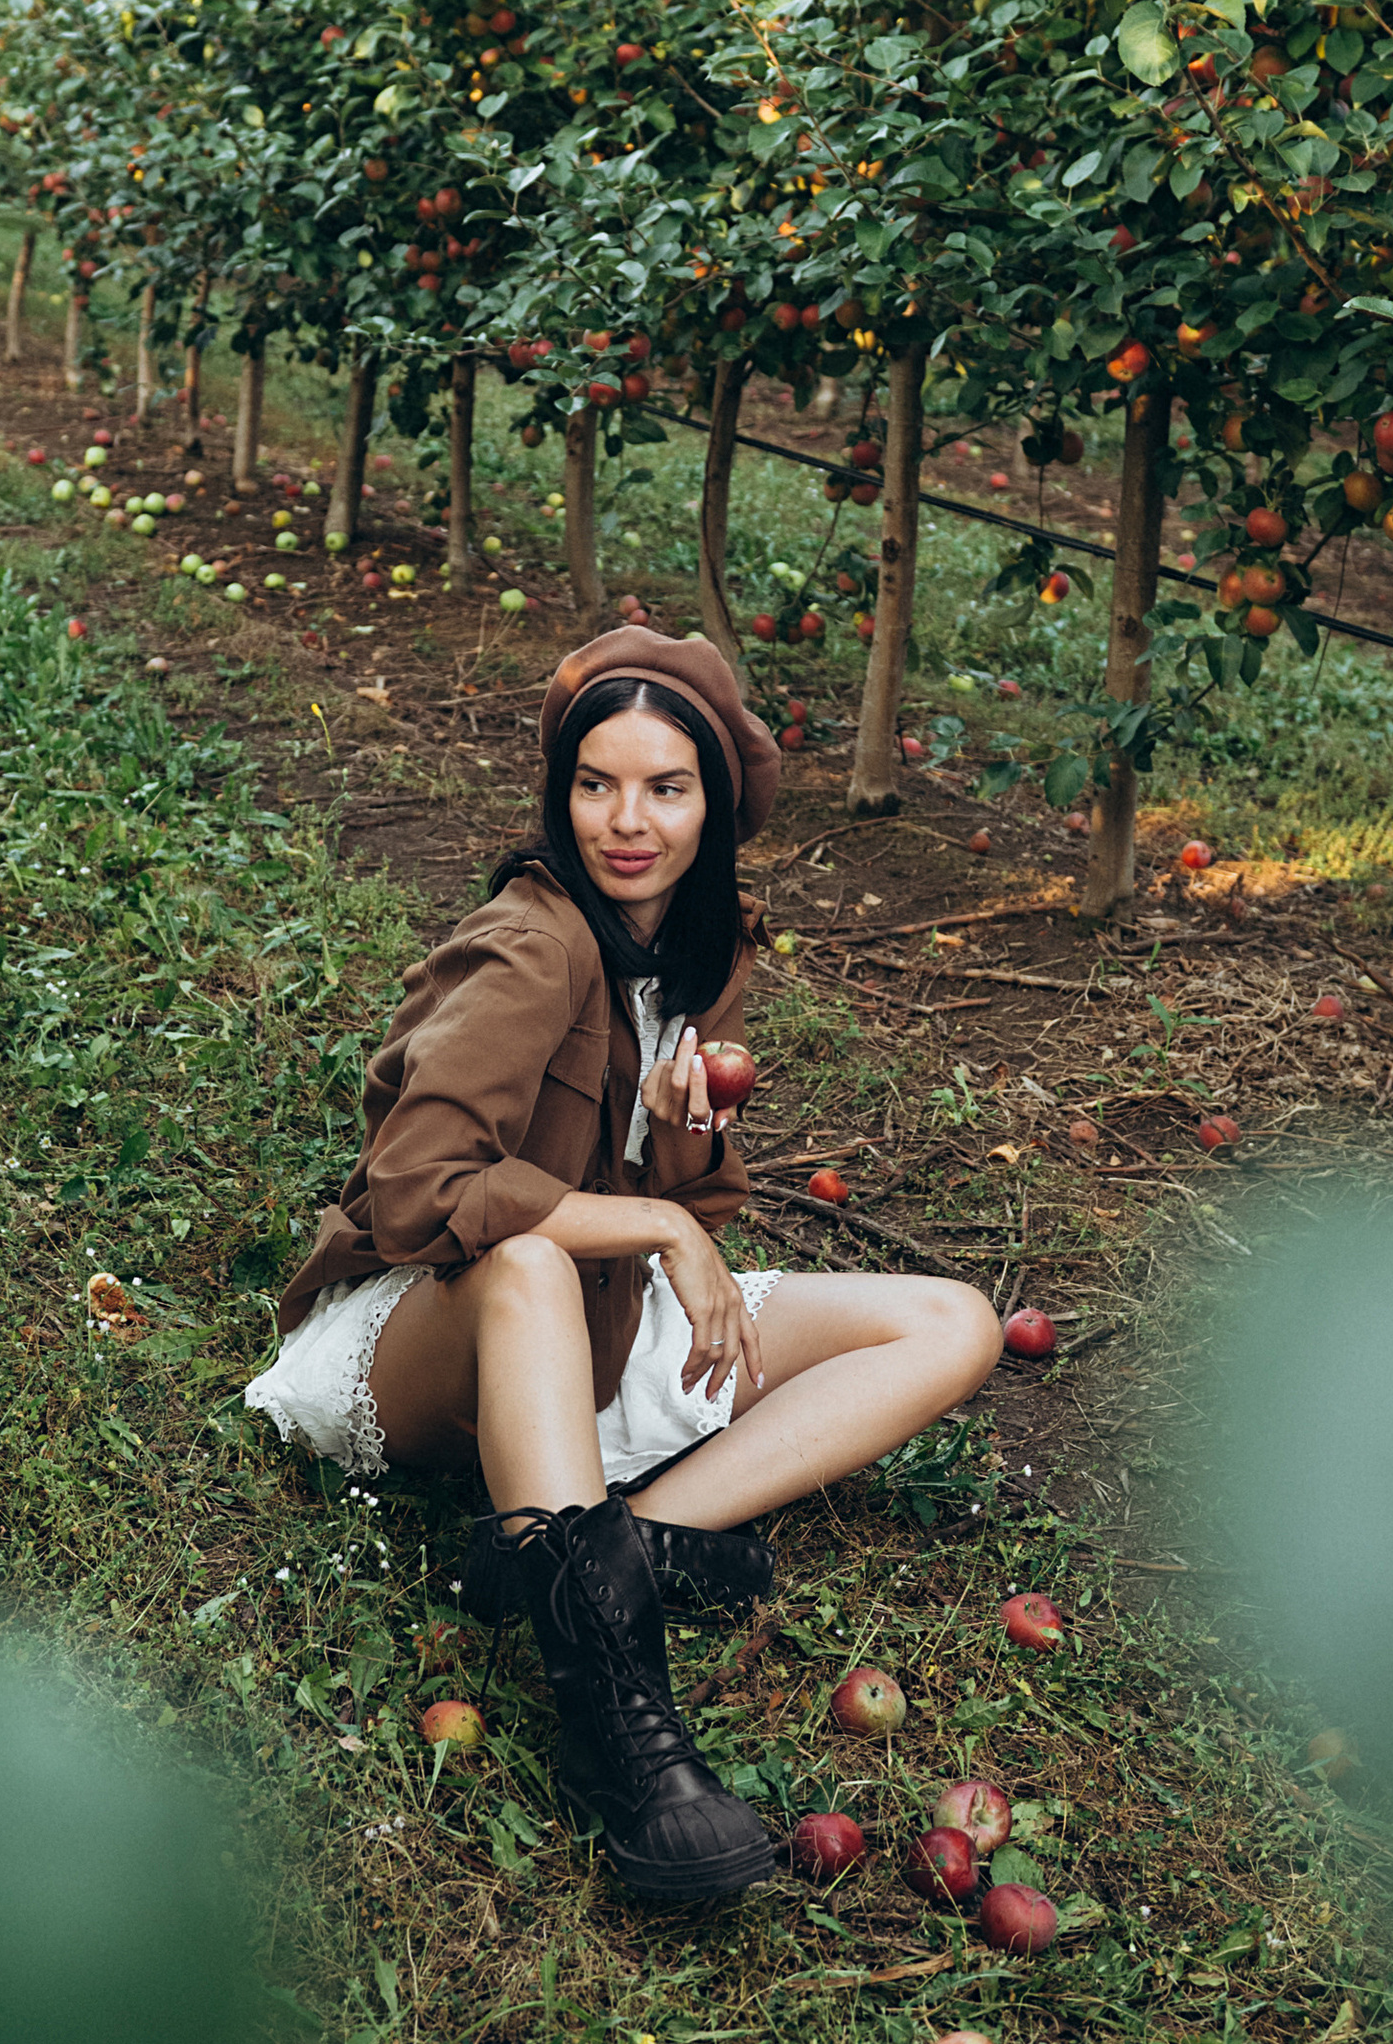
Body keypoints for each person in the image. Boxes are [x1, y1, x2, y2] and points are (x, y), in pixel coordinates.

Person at [247, 630, 1002, 1907]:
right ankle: (623, 1741)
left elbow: (692, 1199)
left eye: (665, 787)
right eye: (597, 783)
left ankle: (617, 1539)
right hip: (432, 1328)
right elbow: (420, 1189)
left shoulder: (705, 954)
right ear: (561, 793)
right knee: (536, 1260)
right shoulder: (536, 944)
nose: (627, 821)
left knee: (954, 1319)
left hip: (594, 1329)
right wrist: (659, 1228)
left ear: (715, 802)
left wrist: (677, 1153)